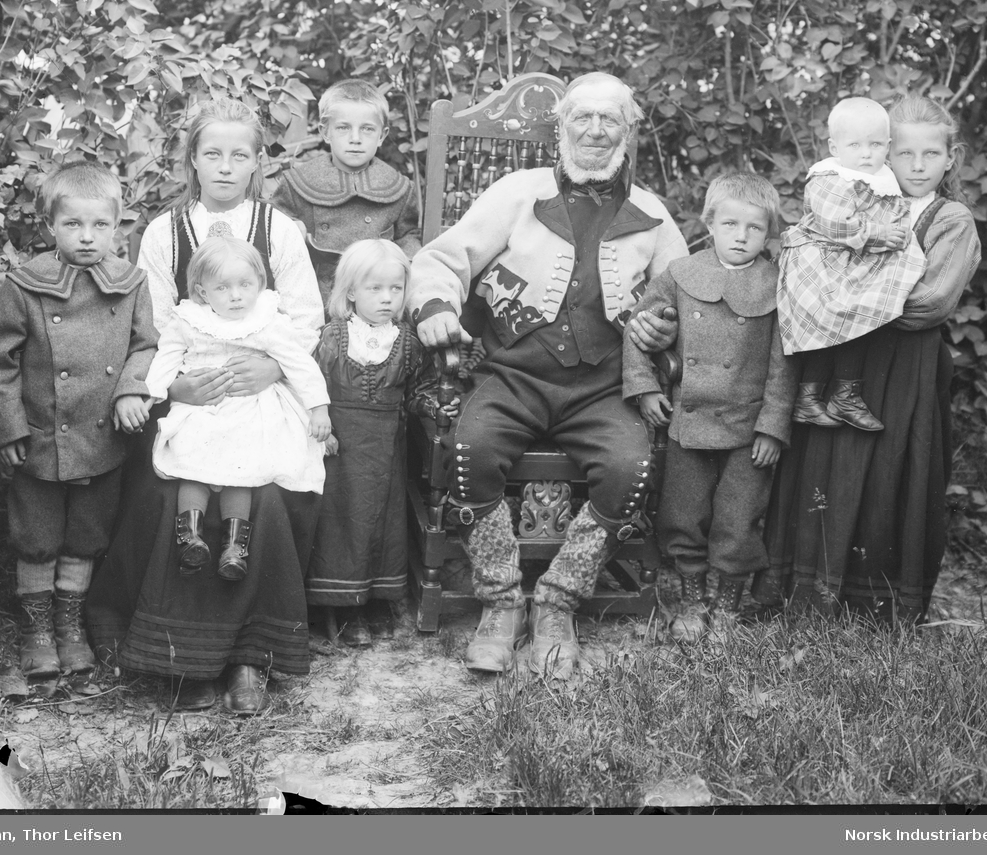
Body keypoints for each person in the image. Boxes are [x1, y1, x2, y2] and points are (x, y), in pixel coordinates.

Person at [409, 72, 686, 678]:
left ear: (629, 130)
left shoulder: (653, 215)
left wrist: (667, 334)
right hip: (514, 376)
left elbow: (687, 301)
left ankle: (558, 603)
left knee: (629, 468)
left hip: (606, 387)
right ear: (559, 127)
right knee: (470, 449)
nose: (593, 130)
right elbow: (442, 259)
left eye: (608, 119)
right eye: (580, 118)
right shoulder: (517, 193)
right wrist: (434, 307)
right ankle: (501, 603)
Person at [86, 98, 324, 716]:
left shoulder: (279, 230)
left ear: (255, 163)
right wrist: (178, 388)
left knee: (267, 492)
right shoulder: (166, 232)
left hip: (265, 390)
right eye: (211, 154)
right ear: (192, 160)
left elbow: (305, 317)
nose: (224, 167)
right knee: (171, 491)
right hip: (189, 390)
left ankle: (250, 653)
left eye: (238, 156)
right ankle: (177, 653)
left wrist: (273, 367)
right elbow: (155, 324)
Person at [756, 93, 981, 623]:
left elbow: (929, 302)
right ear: (884, 154)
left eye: (931, 154)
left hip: (907, 371)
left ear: (951, 158)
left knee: (889, 474)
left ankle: (879, 603)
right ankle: (807, 595)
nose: (917, 166)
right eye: (904, 154)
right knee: (825, 467)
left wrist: (838, 299)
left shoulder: (950, 218)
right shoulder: (857, 198)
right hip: (838, 366)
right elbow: (802, 262)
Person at [0, 161, 157, 680]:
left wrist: (129, 389)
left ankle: (70, 625)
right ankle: (35, 631)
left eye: (100, 225)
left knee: (86, 536)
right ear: (50, 226)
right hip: (38, 440)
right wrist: (8, 428)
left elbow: (146, 345)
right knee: (37, 537)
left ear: (119, 226)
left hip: (101, 437)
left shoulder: (130, 283)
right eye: (73, 225)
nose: (87, 237)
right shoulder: (25, 285)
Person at [622, 173, 796, 640]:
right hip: (688, 421)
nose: (741, 237)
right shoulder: (681, 274)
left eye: (755, 228)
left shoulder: (777, 284)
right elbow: (638, 328)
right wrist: (645, 388)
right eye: (730, 224)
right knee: (683, 513)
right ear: (709, 223)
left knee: (739, 520)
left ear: (769, 232)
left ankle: (726, 607)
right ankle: (692, 601)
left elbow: (784, 363)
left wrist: (772, 428)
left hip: (747, 427)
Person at [145, 236, 332, 581]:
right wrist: (152, 394)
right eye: (223, 288)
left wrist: (318, 408)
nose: (236, 296)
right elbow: (166, 357)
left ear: (259, 284)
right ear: (202, 292)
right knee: (192, 461)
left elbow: (300, 364)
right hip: (203, 406)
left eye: (245, 285)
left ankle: (234, 548)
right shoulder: (188, 321)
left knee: (242, 467)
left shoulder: (267, 321)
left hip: (250, 408)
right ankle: (190, 537)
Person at [309, 239, 457, 646]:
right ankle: (337, 605)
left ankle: (373, 597)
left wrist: (434, 404)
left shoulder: (408, 342)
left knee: (378, 521)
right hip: (338, 447)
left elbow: (420, 390)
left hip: (385, 450)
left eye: (396, 289)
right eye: (375, 289)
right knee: (338, 521)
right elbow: (307, 386)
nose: (387, 299)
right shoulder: (332, 338)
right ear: (351, 291)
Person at [777, 96, 926, 433]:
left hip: (852, 260)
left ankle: (844, 394)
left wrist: (894, 235)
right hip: (816, 260)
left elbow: (896, 217)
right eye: (854, 144)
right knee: (831, 318)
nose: (865, 153)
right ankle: (808, 397)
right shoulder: (829, 177)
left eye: (875, 145)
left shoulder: (884, 179)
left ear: (887, 146)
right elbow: (837, 224)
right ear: (834, 146)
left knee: (860, 315)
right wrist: (878, 232)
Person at [271, 79, 422, 307]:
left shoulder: (399, 188)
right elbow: (274, 232)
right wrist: (294, 230)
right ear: (325, 132)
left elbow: (407, 236)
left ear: (382, 135)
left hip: (375, 298)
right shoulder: (297, 184)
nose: (355, 138)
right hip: (313, 293)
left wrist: (401, 266)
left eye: (367, 129)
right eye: (343, 127)